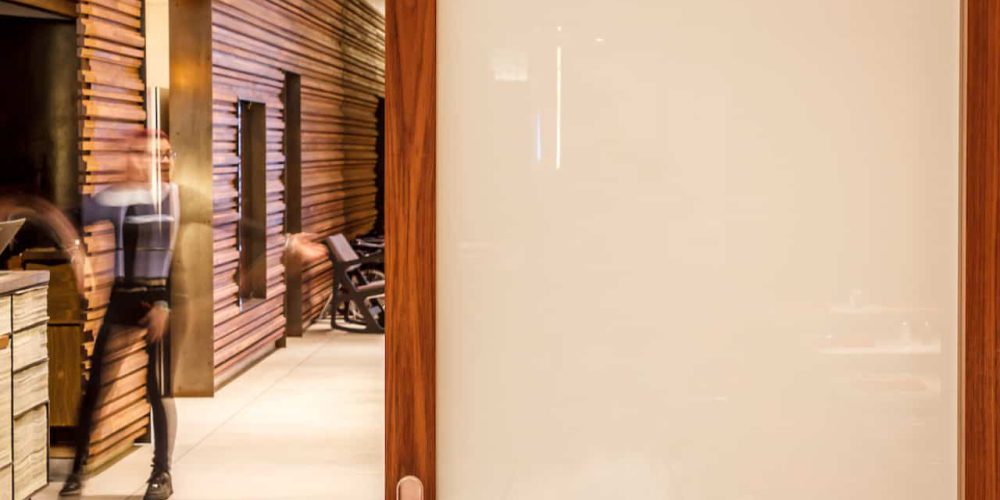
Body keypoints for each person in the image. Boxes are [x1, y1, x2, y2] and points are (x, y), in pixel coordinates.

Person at [57, 129, 178, 500]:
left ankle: (162, 473)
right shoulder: (113, 198)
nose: (158, 161)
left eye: (165, 154)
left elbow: (177, 258)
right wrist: (77, 255)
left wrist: (164, 304)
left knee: (157, 388)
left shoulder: (172, 197)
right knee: (96, 386)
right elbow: (67, 217)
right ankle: (77, 471)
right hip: (123, 297)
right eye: (150, 154)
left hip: (159, 300)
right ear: (131, 156)